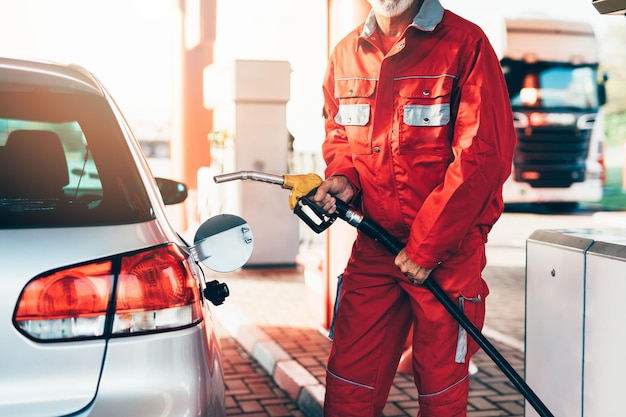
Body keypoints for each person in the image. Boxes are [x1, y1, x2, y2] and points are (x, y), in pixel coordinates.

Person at [312, 0, 516, 416]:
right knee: (349, 385)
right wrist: (343, 177)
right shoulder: (346, 54)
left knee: (441, 393)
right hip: (373, 248)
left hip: (447, 254)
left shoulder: (465, 45)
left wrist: (426, 247)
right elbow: (338, 134)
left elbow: (481, 155)